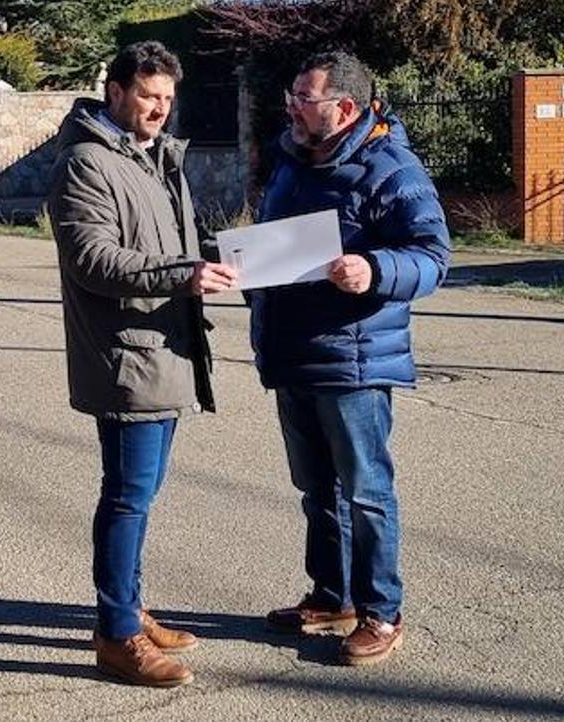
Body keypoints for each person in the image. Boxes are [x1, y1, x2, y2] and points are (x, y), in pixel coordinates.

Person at [47, 40, 238, 687]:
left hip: (166, 351)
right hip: (126, 357)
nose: (160, 109)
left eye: (167, 99)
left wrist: (232, 255)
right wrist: (184, 274)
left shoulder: (155, 157)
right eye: (149, 96)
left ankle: (129, 608)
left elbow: (178, 243)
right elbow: (92, 258)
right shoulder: (86, 163)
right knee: (127, 497)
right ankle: (116, 634)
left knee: (143, 493)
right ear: (116, 92)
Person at [251, 50, 450, 666]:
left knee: (366, 492)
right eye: (291, 96)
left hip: (355, 361)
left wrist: (375, 269)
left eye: (303, 99)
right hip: (293, 353)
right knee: (316, 489)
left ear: (342, 107)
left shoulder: (392, 168)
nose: (292, 108)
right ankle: (331, 595)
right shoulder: (290, 161)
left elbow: (433, 256)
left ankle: (381, 612)